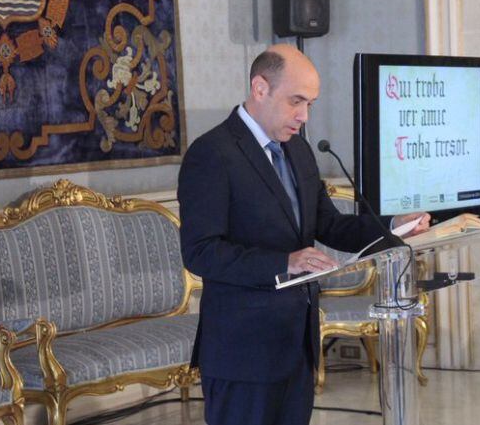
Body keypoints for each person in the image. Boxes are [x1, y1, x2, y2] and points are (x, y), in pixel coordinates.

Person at [177, 44, 430, 425]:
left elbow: (329, 225)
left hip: (297, 345)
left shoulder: (299, 150)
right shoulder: (212, 153)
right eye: (297, 101)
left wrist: (394, 226)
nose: (303, 115)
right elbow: (201, 252)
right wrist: (285, 262)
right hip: (243, 352)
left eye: (310, 103)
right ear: (260, 88)